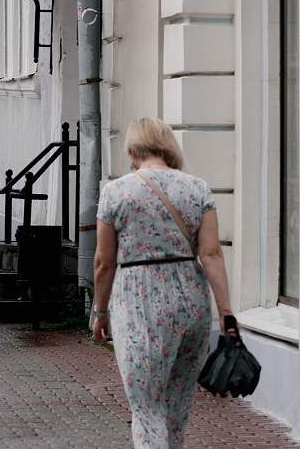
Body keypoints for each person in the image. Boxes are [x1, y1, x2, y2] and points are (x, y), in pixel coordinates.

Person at [91, 117, 236, 448]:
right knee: (176, 410)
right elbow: (212, 254)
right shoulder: (197, 188)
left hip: (139, 303)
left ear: (132, 149)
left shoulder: (116, 192)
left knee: (147, 410)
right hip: (192, 303)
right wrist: (226, 312)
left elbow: (104, 261)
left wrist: (100, 311)